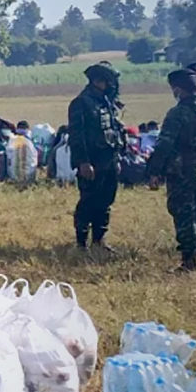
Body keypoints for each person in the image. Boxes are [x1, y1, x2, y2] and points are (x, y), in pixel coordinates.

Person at [147, 68, 196, 270]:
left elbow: (165, 145)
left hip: (182, 171)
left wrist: (154, 171)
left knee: (184, 214)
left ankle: (189, 259)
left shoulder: (178, 112)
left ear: (178, 89)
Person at [68, 63, 125, 251]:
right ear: (97, 81)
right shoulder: (81, 103)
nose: (111, 85)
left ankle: (99, 240)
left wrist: (117, 158)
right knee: (88, 201)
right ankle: (81, 243)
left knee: (106, 200)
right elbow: (77, 135)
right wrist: (83, 161)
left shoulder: (106, 102)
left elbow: (114, 130)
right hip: (91, 160)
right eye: (107, 81)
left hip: (109, 159)